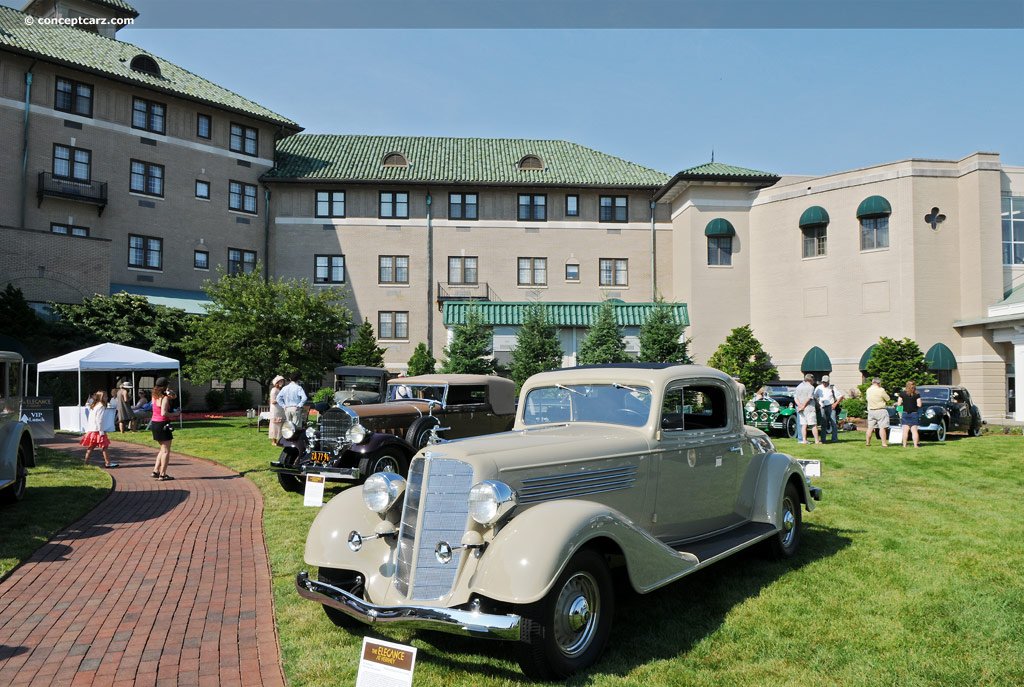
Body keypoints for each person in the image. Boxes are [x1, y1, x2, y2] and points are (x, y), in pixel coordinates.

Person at [80, 391, 117, 467]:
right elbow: (99, 419)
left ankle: (86, 461)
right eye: (105, 397)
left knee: (91, 446)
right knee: (105, 446)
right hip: (98, 430)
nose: (107, 398)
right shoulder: (101, 406)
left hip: (92, 429)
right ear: (101, 398)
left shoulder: (94, 405)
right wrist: (101, 431)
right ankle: (107, 462)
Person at [150, 377, 177, 480]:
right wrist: (175, 413)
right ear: (165, 386)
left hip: (155, 423)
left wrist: (170, 393)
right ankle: (163, 474)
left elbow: (173, 396)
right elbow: (164, 413)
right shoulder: (164, 398)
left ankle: (155, 471)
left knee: (162, 449)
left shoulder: (154, 396)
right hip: (162, 424)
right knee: (166, 451)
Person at [814, 375, 844, 443]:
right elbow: (814, 397)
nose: (824, 383)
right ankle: (823, 439)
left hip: (831, 406)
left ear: (828, 381)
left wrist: (835, 404)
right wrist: (818, 405)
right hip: (822, 407)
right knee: (823, 423)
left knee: (833, 423)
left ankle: (834, 439)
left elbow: (840, 396)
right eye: (823, 382)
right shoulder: (818, 388)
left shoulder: (832, 388)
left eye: (825, 382)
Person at [793, 373, 820, 444]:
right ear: (811, 379)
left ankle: (804, 440)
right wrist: (803, 406)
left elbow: (795, 397)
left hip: (800, 408)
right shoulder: (811, 387)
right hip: (809, 408)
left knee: (803, 425)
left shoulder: (799, 386)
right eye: (813, 379)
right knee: (813, 424)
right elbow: (809, 399)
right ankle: (817, 441)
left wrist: (800, 406)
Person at [865, 377, 891, 447]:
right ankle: (884, 443)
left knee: (870, 428)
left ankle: (868, 442)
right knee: (882, 427)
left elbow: (867, 399)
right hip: (880, 410)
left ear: (872, 382)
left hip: (871, 410)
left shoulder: (868, 390)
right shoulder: (881, 390)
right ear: (879, 383)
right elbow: (888, 399)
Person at [896, 380, 923, 448]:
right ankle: (915, 445)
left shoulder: (903, 393)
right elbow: (919, 404)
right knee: (914, 430)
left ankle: (904, 445)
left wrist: (903, 403)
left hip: (905, 413)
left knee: (905, 430)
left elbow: (899, 403)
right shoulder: (916, 394)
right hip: (914, 413)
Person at [268, 375, 286, 445]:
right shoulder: (274, 390)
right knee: (275, 424)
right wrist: (281, 399)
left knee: (280, 424)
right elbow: (273, 401)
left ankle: (280, 439)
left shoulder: (279, 390)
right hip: (275, 410)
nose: (282, 383)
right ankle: (274, 441)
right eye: (280, 381)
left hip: (280, 409)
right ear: (277, 383)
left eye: (282, 381)